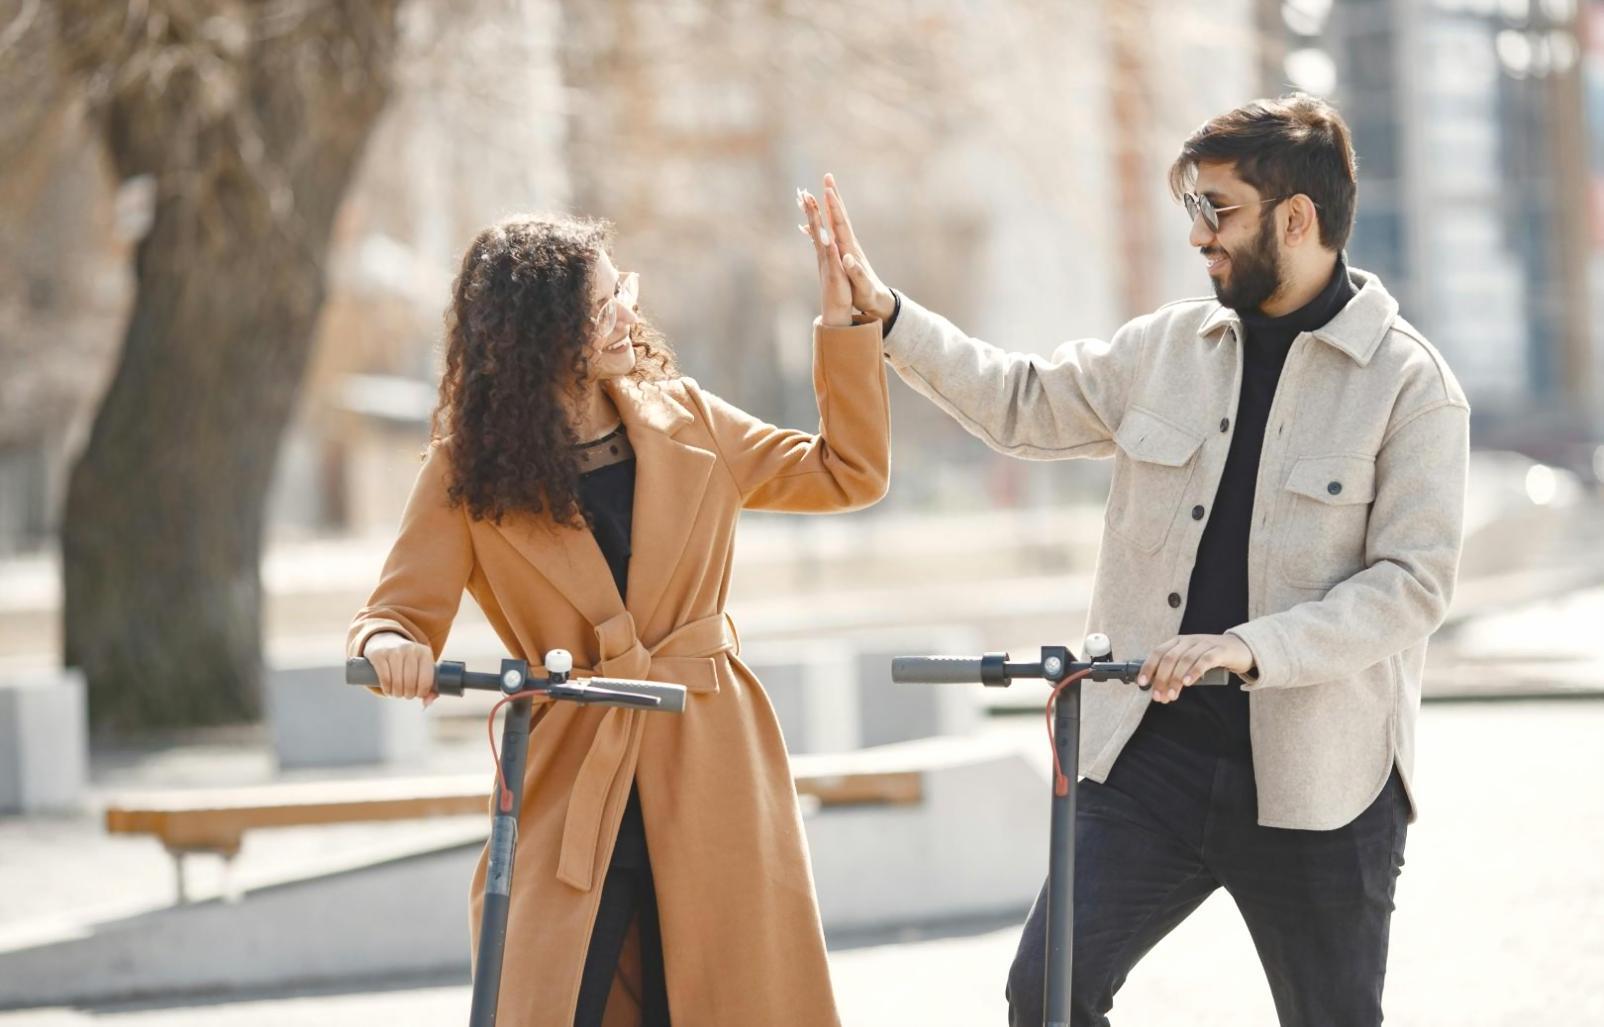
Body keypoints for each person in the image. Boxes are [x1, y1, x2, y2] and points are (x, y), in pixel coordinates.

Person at [818, 93, 1469, 1026]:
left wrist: (1248, 646)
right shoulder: (1167, 347)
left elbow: (1411, 587)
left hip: (1323, 778)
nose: (1199, 236)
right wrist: (886, 317)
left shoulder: (1413, 387)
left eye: (1219, 210)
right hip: (1150, 757)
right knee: (1047, 997)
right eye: (1191, 211)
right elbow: (1021, 403)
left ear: (1298, 218)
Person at [347, 198, 888, 1027]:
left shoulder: (693, 420)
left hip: (710, 763)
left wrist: (842, 326)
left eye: (621, 289)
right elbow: (395, 615)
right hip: (572, 777)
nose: (630, 312)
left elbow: (848, 468)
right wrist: (391, 648)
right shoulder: (468, 471)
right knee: (547, 1000)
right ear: (542, 338)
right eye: (604, 305)